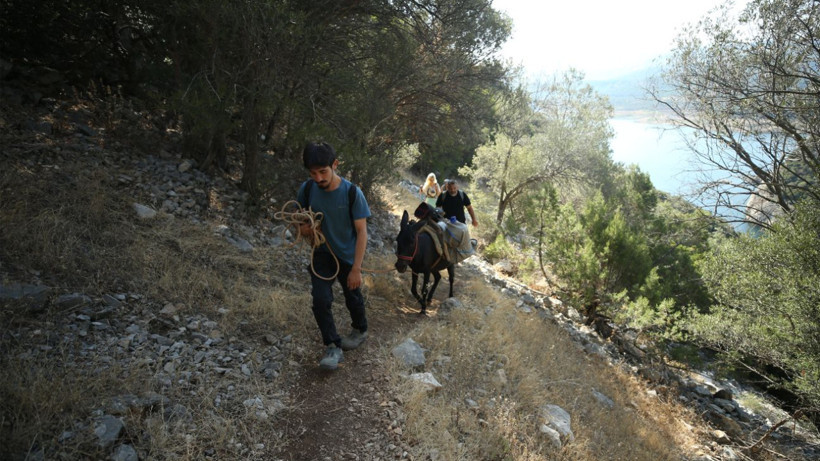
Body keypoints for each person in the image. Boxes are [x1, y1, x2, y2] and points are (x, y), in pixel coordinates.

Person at [297, 142, 371, 370]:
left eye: (323, 172)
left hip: (347, 256)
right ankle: (332, 346)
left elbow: (362, 232)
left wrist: (356, 269)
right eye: (313, 173)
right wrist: (305, 229)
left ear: (335, 165)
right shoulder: (307, 190)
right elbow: (301, 222)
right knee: (320, 300)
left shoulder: (352, 193)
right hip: (321, 253)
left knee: (352, 296)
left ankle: (360, 329)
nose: (318, 178)